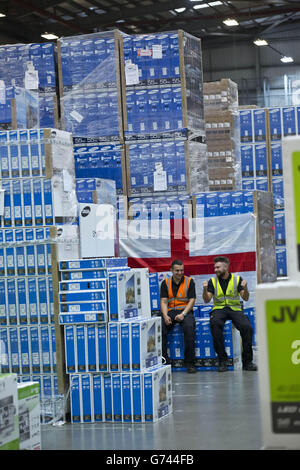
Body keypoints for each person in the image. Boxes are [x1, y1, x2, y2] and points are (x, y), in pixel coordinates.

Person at [202, 256, 257, 372]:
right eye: (215, 267)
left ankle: (248, 362)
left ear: (226, 267)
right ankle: (222, 361)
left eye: (218, 267)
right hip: (219, 309)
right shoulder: (212, 281)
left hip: (235, 309)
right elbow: (207, 300)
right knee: (215, 324)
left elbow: (245, 298)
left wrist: (245, 287)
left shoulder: (237, 280)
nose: (215, 269)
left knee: (247, 327)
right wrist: (204, 289)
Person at [160, 259, 197, 373]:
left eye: (182, 270)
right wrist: (165, 316)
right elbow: (164, 301)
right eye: (177, 271)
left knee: (189, 328)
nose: (180, 273)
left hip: (185, 311)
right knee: (160, 329)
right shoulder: (165, 283)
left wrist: (183, 314)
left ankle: (190, 363)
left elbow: (192, 300)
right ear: (171, 270)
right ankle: (164, 360)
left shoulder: (189, 281)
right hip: (171, 311)